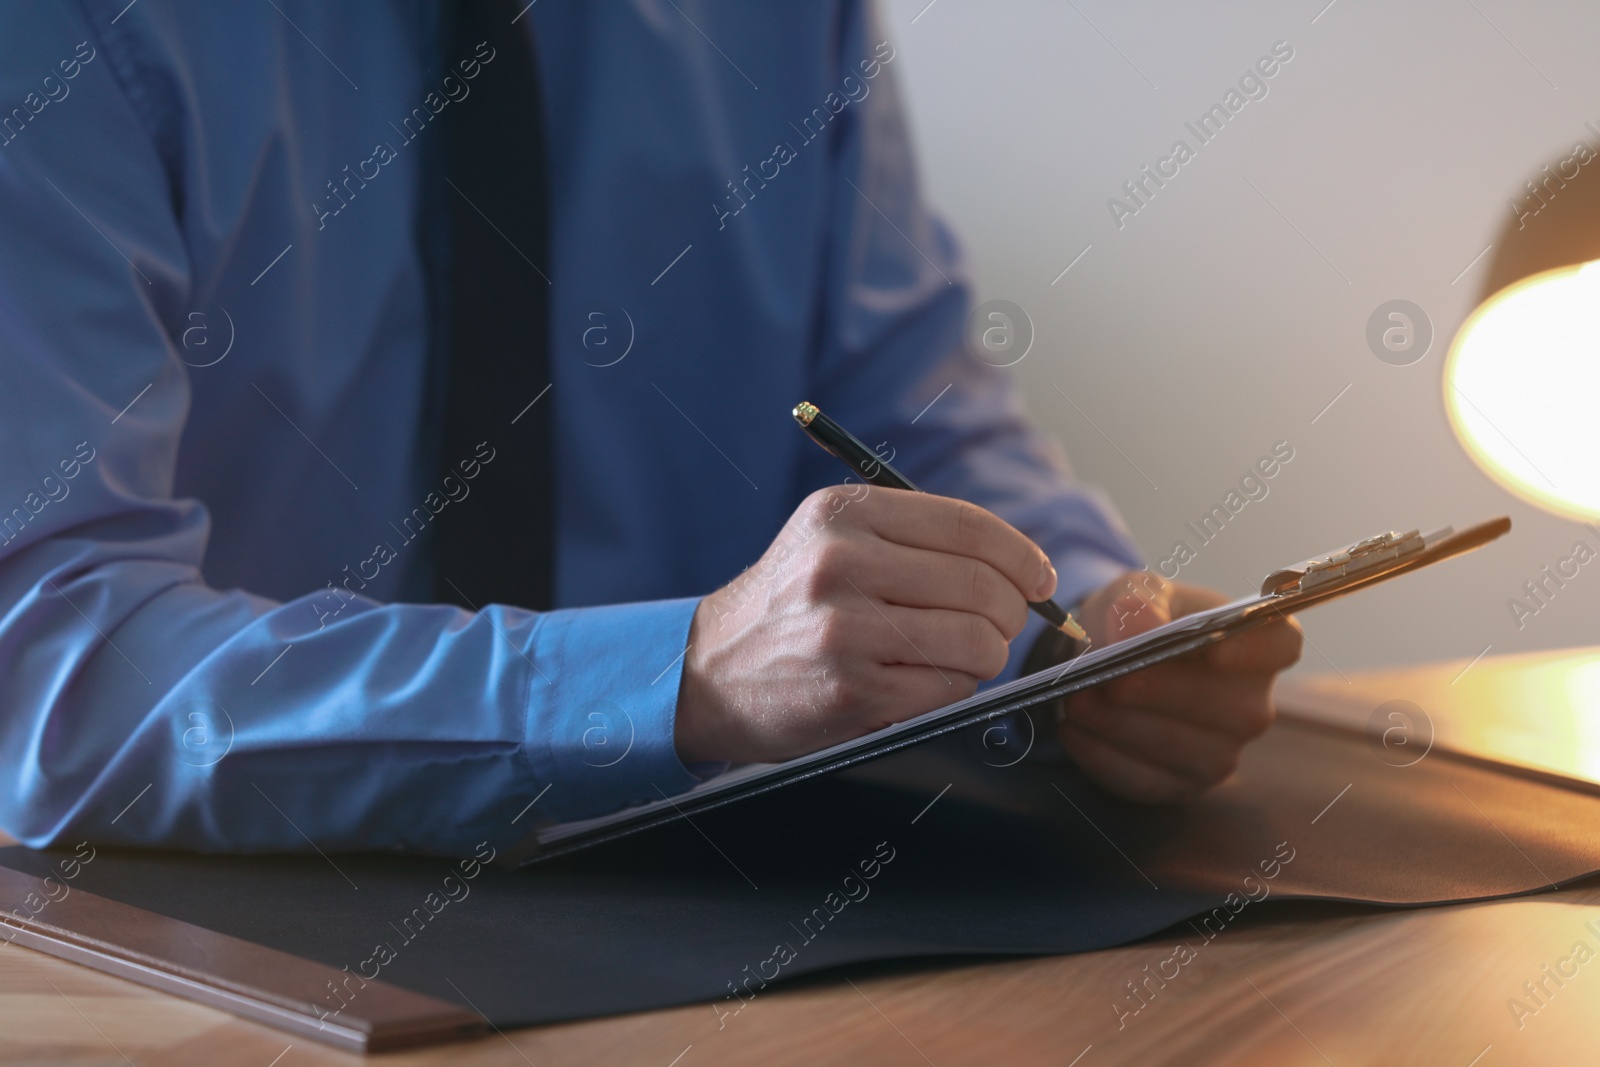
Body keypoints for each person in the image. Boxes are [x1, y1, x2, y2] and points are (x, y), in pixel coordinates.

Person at [0, 1, 1300, 855]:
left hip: (733, 908)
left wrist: (1083, 632)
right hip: (185, 946)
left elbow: (922, 419)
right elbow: (51, 668)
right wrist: (674, 677)